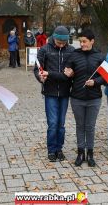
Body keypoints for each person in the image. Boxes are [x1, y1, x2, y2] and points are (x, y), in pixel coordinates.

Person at [64, 29, 105, 167]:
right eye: (80, 41)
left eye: (85, 41)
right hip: (77, 97)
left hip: (94, 98)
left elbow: (106, 76)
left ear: (92, 41)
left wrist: (96, 82)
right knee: (80, 126)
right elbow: (67, 69)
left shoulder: (99, 56)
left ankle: (90, 153)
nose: (82, 44)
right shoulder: (74, 55)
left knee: (90, 126)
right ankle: (80, 152)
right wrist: (68, 72)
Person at [34, 26, 74, 162]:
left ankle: (59, 149)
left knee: (61, 124)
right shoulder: (45, 50)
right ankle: (51, 150)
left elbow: (67, 75)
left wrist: (51, 74)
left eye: (64, 43)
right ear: (54, 38)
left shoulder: (71, 51)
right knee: (52, 123)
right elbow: (37, 68)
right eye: (59, 42)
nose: (61, 45)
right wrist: (40, 77)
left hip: (64, 92)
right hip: (50, 92)